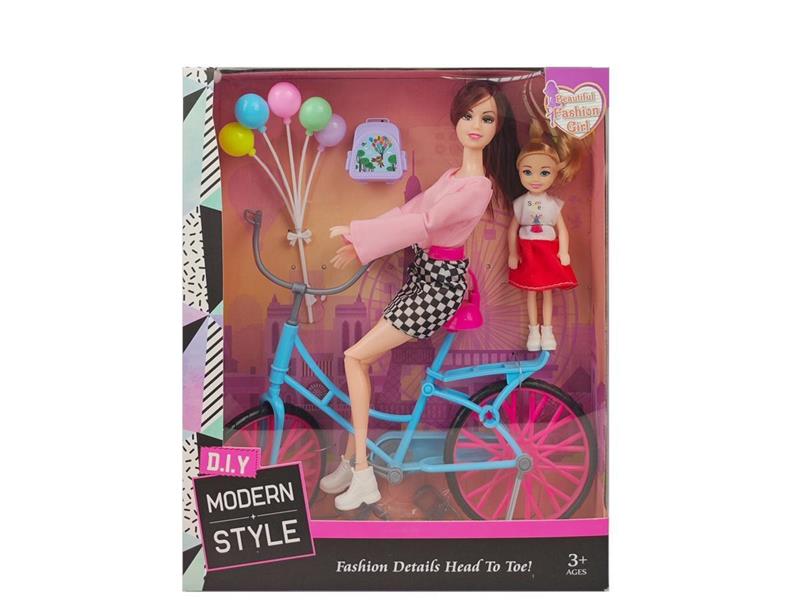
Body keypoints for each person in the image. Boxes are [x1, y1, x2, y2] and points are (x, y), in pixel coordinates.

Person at [323, 80, 522, 511]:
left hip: (440, 287)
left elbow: (426, 224)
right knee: (360, 361)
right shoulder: (453, 177)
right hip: (423, 276)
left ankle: (364, 476)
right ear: (456, 119)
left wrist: (362, 239)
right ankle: (351, 460)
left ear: (497, 127)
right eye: (468, 115)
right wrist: (359, 236)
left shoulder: (478, 187)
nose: (475, 125)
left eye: (486, 118)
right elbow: (409, 211)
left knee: (354, 357)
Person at [507, 118, 587, 351]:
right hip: (528, 252)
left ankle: (548, 331)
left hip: (547, 251)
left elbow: (562, 229)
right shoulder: (520, 203)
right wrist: (513, 253)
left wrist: (563, 251)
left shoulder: (553, 204)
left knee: (547, 292)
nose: (535, 179)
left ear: (554, 173)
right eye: (527, 172)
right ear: (519, 172)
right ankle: (533, 331)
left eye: (544, 172)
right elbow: (512, 229)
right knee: (531, 293)